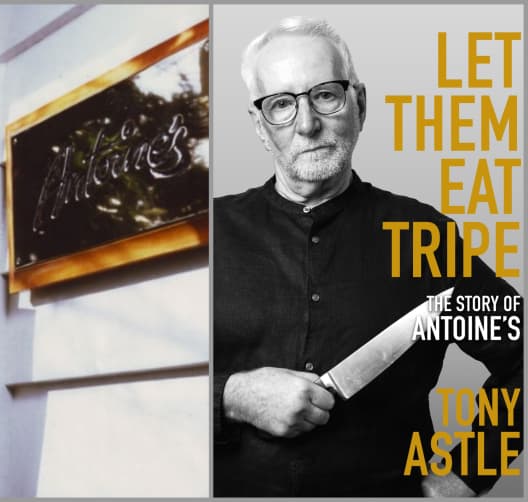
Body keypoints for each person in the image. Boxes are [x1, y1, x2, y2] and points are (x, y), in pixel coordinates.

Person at [213, 17, 523, 497]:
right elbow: (136, 385)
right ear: (259, 125)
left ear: (359, 102)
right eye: (281, 104)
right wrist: (229, 397)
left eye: (326, 95)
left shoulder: (424, 237)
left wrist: (469, 474)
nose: (308, 123)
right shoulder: (208, 237)